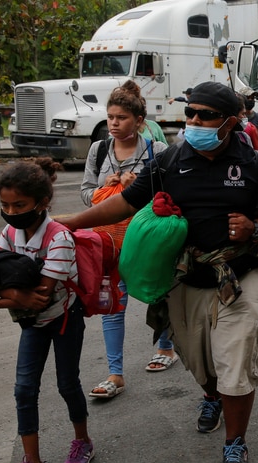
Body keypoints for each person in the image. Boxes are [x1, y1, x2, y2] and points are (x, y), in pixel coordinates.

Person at [59, 81, 258, 463]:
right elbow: (126, 202)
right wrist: (70, 222)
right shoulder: (170, 160)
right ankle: (211, 395)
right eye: (190, 113)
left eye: (205, 115)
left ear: (230, 122)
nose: (194, 121)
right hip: (185, 280)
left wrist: (255, 226)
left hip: (239, 277)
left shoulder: (257, 164)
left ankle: (235, 441)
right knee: (200, 360)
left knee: (235, 359)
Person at [0, 158, 94, 463]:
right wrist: (12, 293)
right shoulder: (8, 232)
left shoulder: (58, 236)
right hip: (32, 324)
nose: (11, 211)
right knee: (23, 390)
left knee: (67, 383)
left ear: (41, 202)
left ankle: (82, 441)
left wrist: (8, 292)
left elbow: (42, 295)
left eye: (19, 205)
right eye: (5, 205)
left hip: (64, 318)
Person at [79, 81, 171, 397]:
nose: (115, 124)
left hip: (146, 241)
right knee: (112, 305)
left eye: (122, 118)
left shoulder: (156, 150)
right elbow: (86, 193)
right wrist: (105, 189)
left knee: (159, 292)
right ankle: (115, 373)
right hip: (109, 242)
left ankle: (166, 346)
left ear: (139, 121)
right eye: (111, 117)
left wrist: (138, 189)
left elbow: (167, 196)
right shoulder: (98, 149)